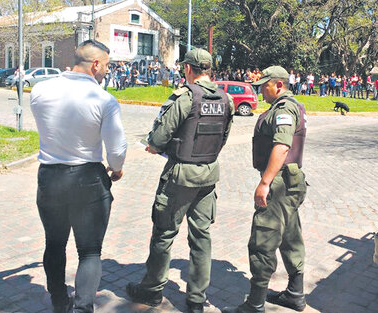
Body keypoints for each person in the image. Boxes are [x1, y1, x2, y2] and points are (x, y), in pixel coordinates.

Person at [126, 48, 234, 313]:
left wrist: (152, 146)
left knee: (164, 233)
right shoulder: (226, 98)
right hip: (208, 174)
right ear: (209, 70)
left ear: (188, 69)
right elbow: (223, 138)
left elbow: (160, 137)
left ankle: (151, 291)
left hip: (180, 175)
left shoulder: (185, 97)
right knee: (201, 237)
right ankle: (197, 299)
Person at [30, 40, 127, 313]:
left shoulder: (40, 90)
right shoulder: (103, 99)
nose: (107, 71)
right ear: (95, 64)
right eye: (106, 66)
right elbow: (117, 150)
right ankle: (83, 308)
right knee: (89, 251)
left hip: (50, 176)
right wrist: (117, 168)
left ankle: (59, 301)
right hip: (87, 178)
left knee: (55, 243)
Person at [222, 66, 307, 313]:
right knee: (290, 236)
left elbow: (282, 145)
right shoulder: (287, 106)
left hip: (280, 184)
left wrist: (265, 182)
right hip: (288, 183)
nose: (261, 91)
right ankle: (295, 293)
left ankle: (255, 304)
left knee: (263, 238)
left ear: (279, 85)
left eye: (265, 86)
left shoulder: (285, 109)